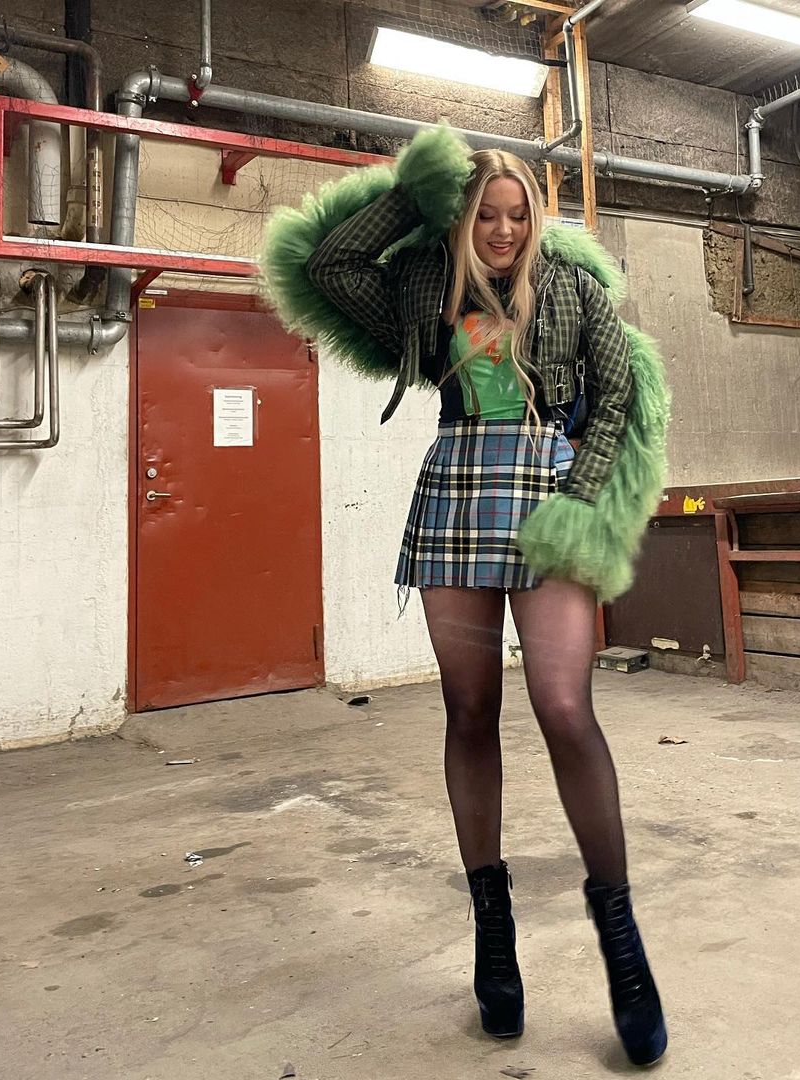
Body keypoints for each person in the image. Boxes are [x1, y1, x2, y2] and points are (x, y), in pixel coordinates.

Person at [262, 127, 670, 1067]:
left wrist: (578, 501)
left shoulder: (571, 288)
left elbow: (614, 398)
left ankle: (621, 939)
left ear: (536, 221)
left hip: (551, 492)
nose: (503, 230)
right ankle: (493, 928)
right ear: (464, 218)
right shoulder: (423, 284)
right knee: (470, 708)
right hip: (456, 485)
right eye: (486, 213)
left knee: (564, 707)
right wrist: (419, 192)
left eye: (517, 215)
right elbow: (331, 265)